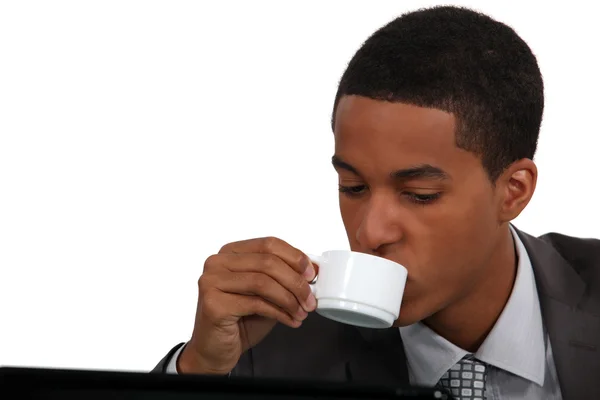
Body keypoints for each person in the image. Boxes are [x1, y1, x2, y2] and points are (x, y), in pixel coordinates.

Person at [151, 5, 600, 400]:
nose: (370, 233)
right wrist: (199, 370)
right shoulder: (263, 353)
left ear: (514, 190)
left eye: (419, 195)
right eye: (353, 187)